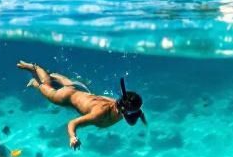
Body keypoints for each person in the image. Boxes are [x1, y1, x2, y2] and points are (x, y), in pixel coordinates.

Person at [17, 61, 145, 150]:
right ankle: (35, 72)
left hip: (82, 90)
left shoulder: (121, 104)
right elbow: (72, 123)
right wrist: (73, 137)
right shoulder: (99, 113)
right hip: (66, 97)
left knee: (71, 85)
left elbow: (133, 112)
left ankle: (55, 76)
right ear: (123, 110)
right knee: (46, 85)